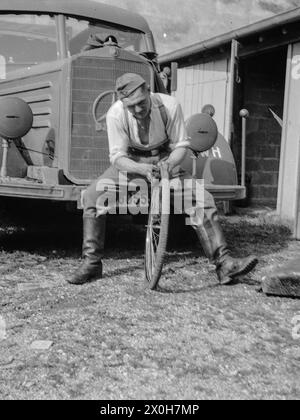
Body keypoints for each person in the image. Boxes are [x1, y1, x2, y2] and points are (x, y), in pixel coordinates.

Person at [68, 73, 258, 285]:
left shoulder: (170, 106)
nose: (138, 110)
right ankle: (92, 263)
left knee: (202, 199)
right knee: (93, 197)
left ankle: (224, 264)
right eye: (131, 106)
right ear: (123, 103)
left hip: (167, 160)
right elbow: (117, 157)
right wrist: (142, 169)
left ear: (149, 91)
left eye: (141, 102)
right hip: (132, 164)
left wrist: (168, 165)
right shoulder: (115, 115)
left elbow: (181, 147)